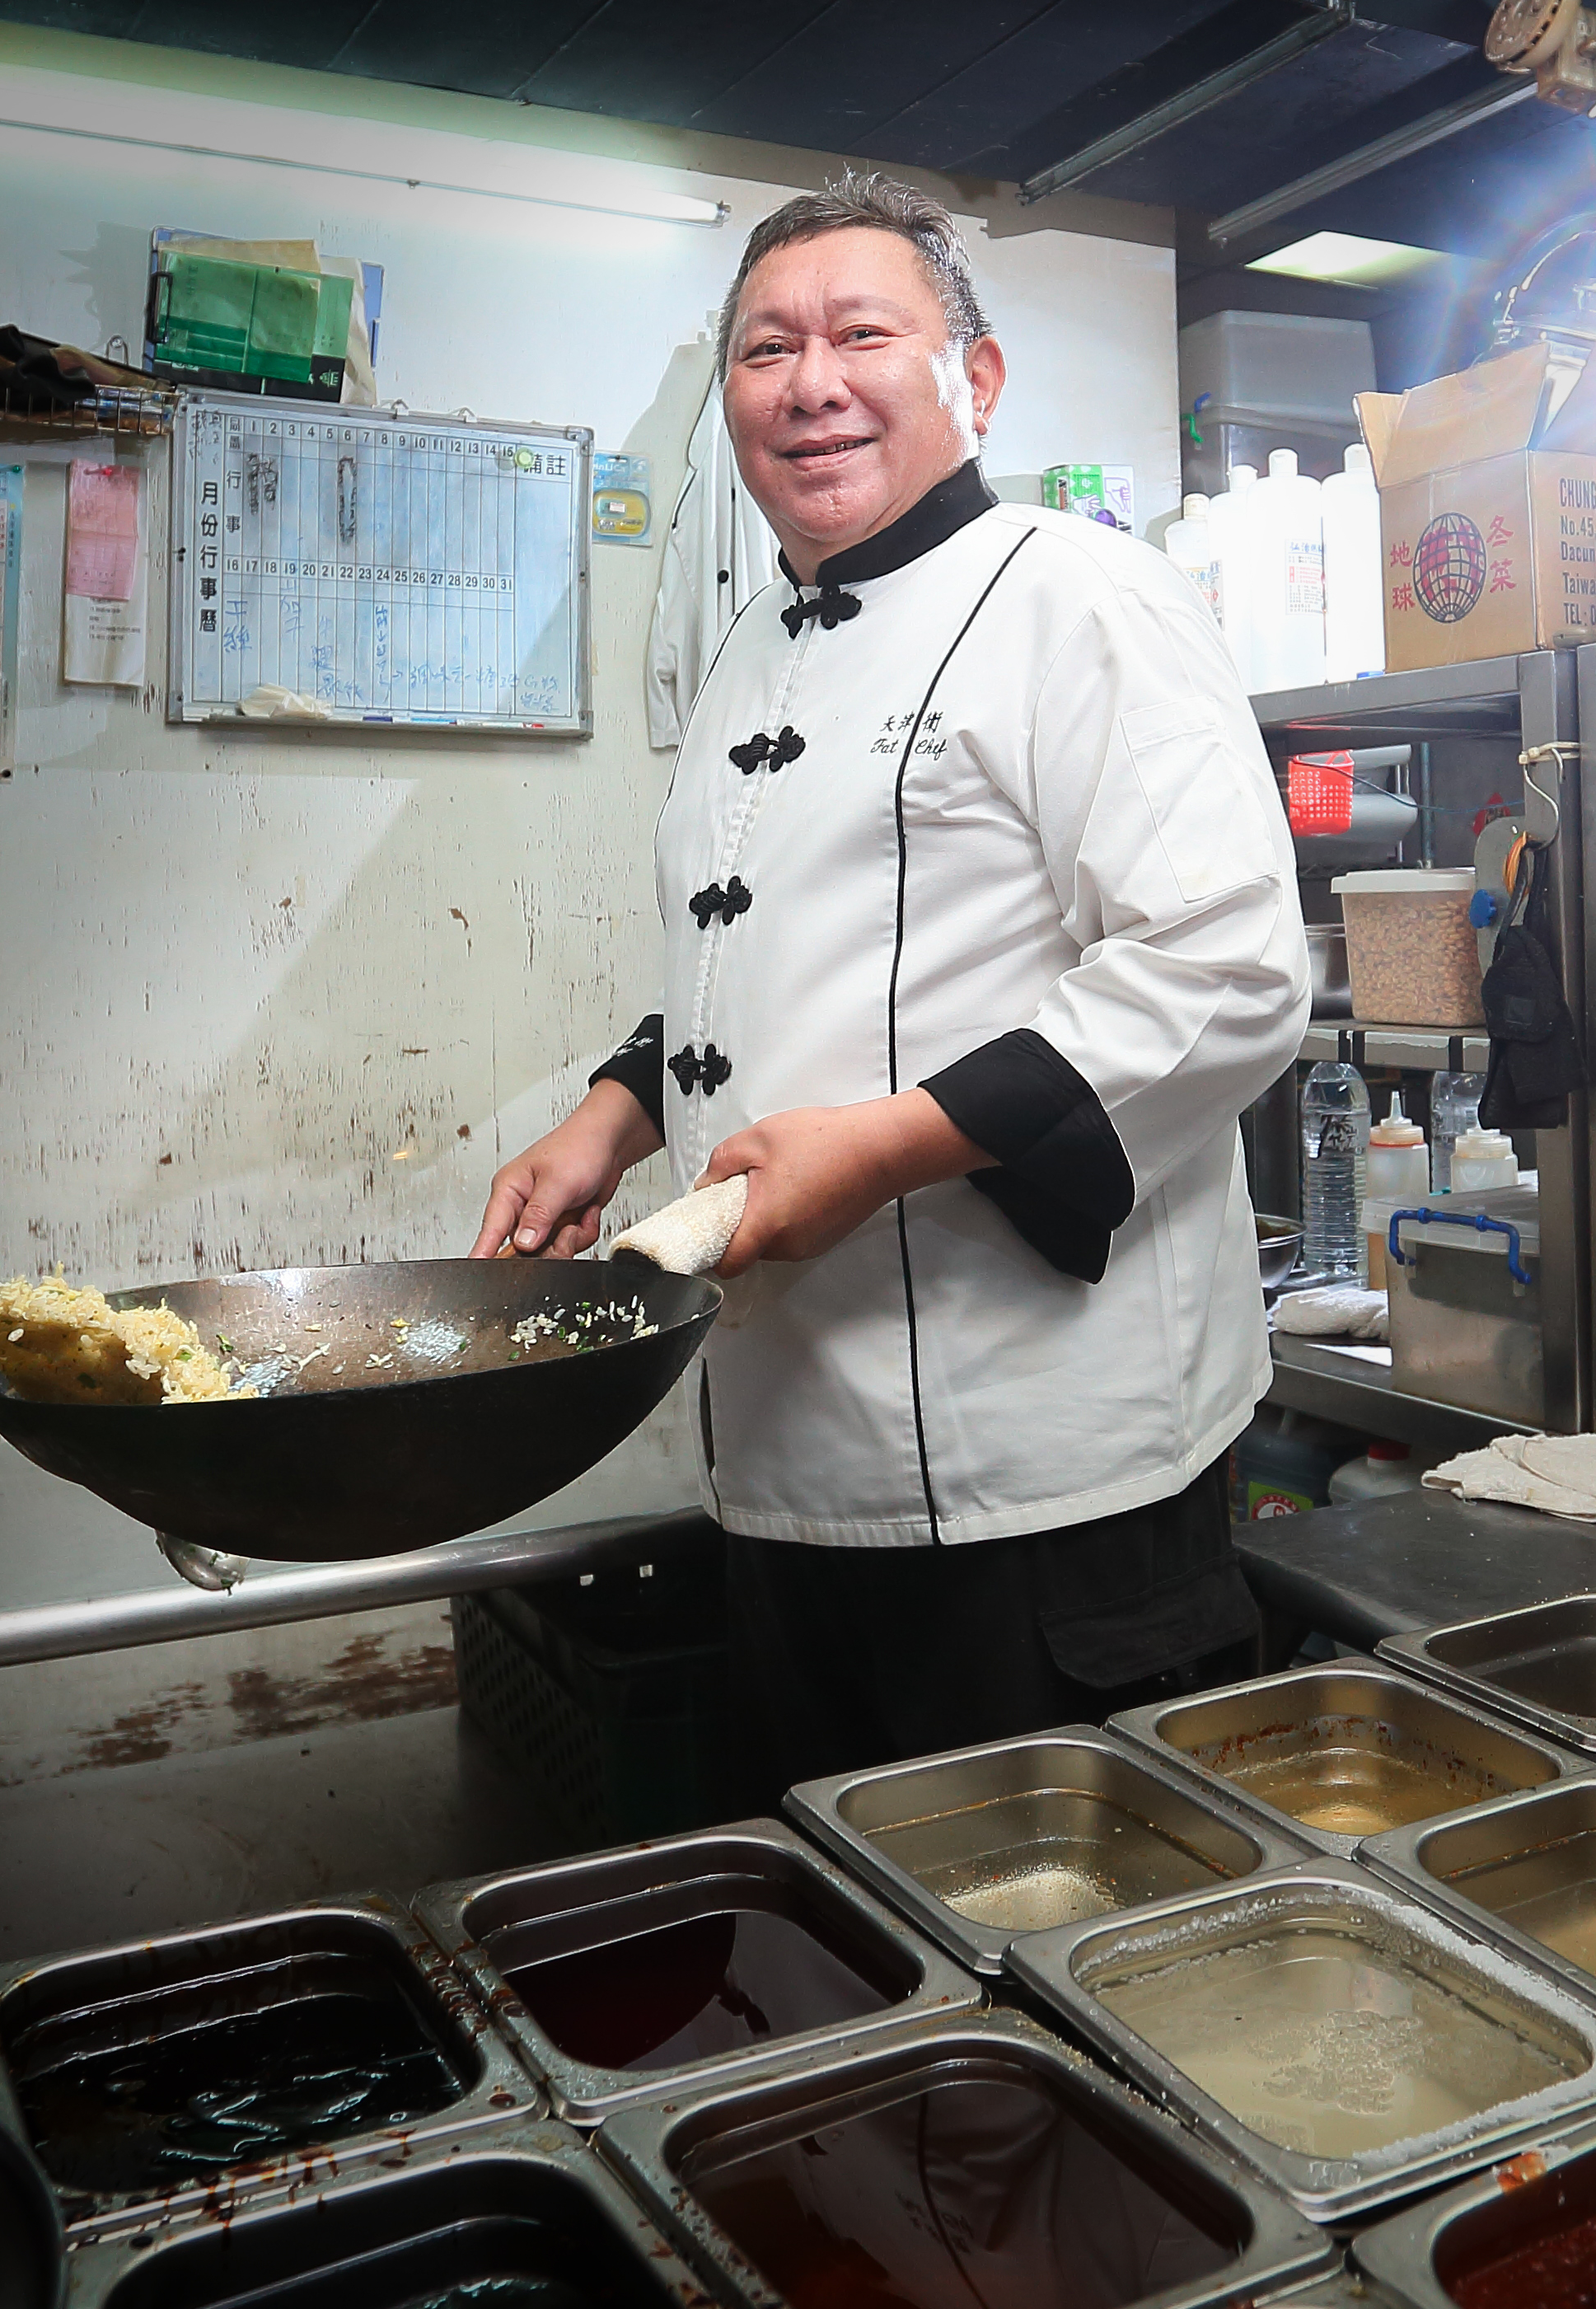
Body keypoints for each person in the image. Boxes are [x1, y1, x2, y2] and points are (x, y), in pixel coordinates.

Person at [474, 174, 1308, 1798]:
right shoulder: (751, 648)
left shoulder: (1080, 594)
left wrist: (880, 1148)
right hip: (788, 1454)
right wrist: (613, 1112)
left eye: (862, 334)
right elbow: (766, 953)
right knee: (844, 1913)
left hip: (1040, 1474)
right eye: (765, 349)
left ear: (973, 378)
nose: (811, 384)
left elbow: (1224, 968)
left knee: (1051, 1919)